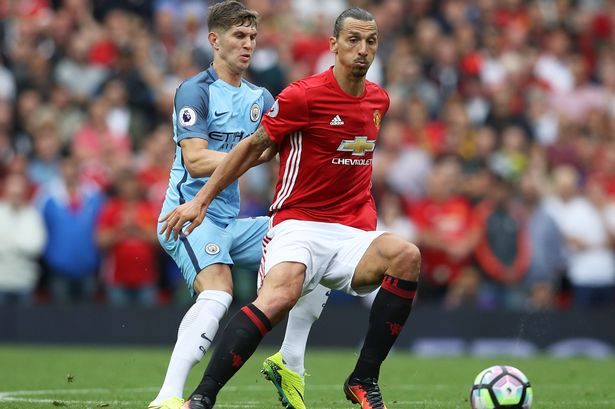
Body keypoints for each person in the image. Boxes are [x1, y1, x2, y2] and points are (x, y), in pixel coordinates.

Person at [160, 8, 421, 409]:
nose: (362, 50)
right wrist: (201, 199)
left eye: (370, 42)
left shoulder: (371, 100)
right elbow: (222, 155)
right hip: (209, 217)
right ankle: (176, 397)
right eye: (353, 40)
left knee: (406, 256)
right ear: (333, 45)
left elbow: (275, 151)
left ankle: (343, 373)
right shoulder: (210, 91)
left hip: (314, 227)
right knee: (227, 293)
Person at [150, 2, 330, 408]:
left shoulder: (260, 97)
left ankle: (290, 362)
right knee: (219, 293)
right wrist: (250, 155)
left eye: (252, 37)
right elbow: (195, 159)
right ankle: (167, 397)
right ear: (214, 40)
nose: (248, 44)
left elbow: (280, 147)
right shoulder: (194, 90)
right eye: (238, 36)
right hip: (189, 216)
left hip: (232, 220)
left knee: (315, 248)